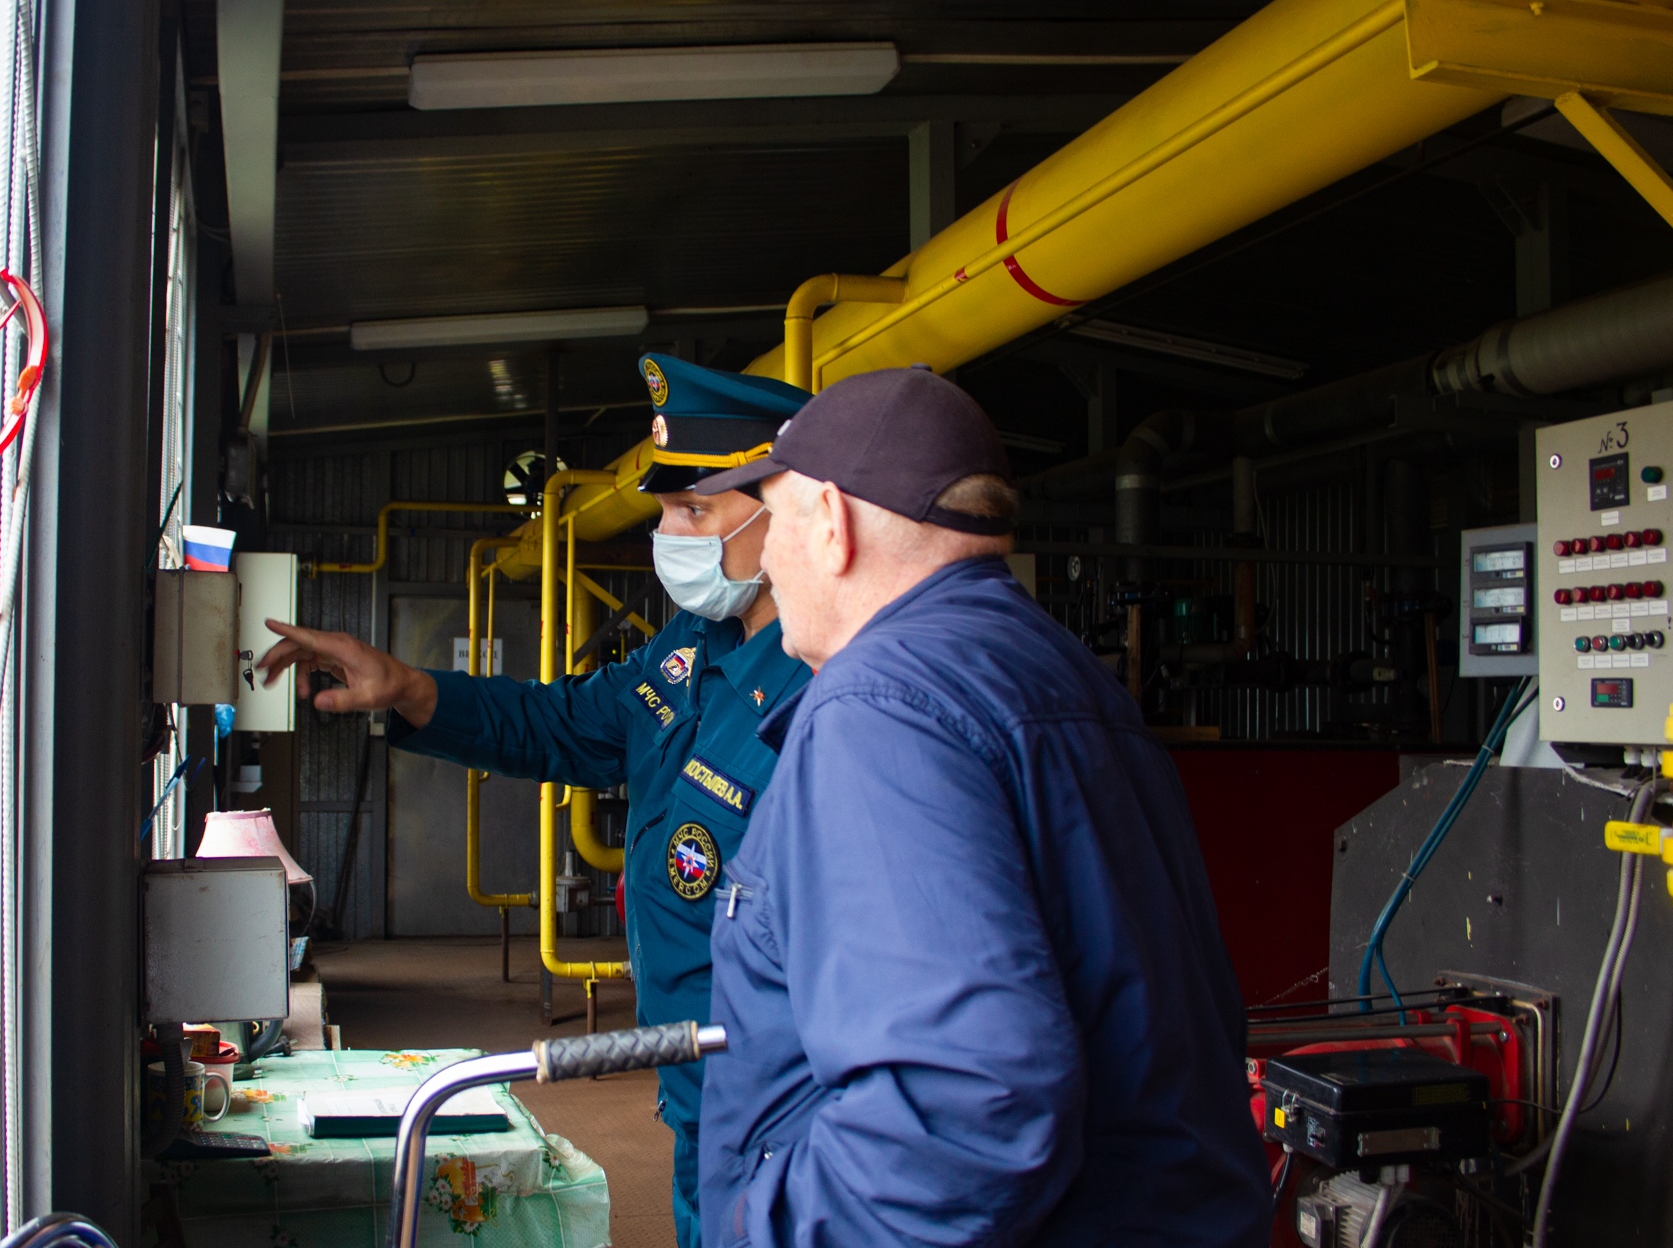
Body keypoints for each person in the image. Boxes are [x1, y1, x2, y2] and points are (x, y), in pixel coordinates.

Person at [690, 366, 1271, 1247]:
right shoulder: (1069, 678)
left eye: (773, 518)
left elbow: (966, 1103)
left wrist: (766, 1232)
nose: (764, 560)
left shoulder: (876, 709)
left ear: (834, 523)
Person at [256, 354, 813, 1248]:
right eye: (664, 509)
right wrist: (402, 683)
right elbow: (563, 723)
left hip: (784, 1108)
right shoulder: (694, 644)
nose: (668, 533)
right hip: (694, 1088)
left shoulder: (826, 685)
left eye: (694, 509)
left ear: (785, 508)